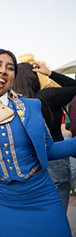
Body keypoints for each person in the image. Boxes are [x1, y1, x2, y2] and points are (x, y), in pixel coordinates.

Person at [0, 49, 75, 237]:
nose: (3, 70)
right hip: (0, 201)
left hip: (42, 195)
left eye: (10, 68)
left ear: (13, 77)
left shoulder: (31, 106)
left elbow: (49, 150)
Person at [12, 61, 76, 212]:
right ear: (32, 78)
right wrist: (49, 73)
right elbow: (74, 87)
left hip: (28, 160)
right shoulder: (44, 97)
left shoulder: (14, 104)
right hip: (55, 158)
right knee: (58, 209)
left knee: (37, 209)